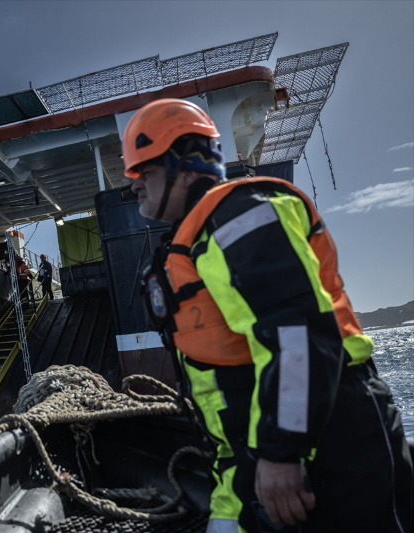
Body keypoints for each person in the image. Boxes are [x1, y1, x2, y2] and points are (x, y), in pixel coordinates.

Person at [122, 98, 413, 533]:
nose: (133, 186)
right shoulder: (196, 241)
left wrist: (281, 453)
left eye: (142, 171)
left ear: (183, 166)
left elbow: (297, 331)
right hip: (247, 454)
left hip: (333, 441)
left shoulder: (243, 215)